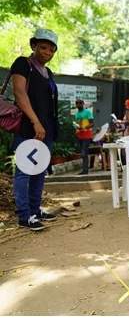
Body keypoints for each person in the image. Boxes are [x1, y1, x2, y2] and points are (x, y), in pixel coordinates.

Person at [11, 28, 59, 231]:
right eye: (43, 47)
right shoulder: (23, 64)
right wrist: (35, 122)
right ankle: (24, 215)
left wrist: (47, 127)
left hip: (46, 130)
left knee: (39, 172)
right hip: (28, 128)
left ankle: (35, 210)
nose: (46, 52)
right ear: (34, 46)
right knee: (24, 171)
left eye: (51, 50)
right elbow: (20, 94)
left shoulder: (48, 73)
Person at [74, 99, 94, 175]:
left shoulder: (88, 112)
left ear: (83, 104)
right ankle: (84, 170)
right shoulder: (77, 114)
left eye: (80, 103)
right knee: (82, 153)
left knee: (84, 153)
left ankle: (85, 170)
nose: (78, 105)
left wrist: (84, 127)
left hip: (87, 135)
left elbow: (92, 123)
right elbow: (77, 124)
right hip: (79, 135)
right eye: (77, 103)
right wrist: (77, 128)